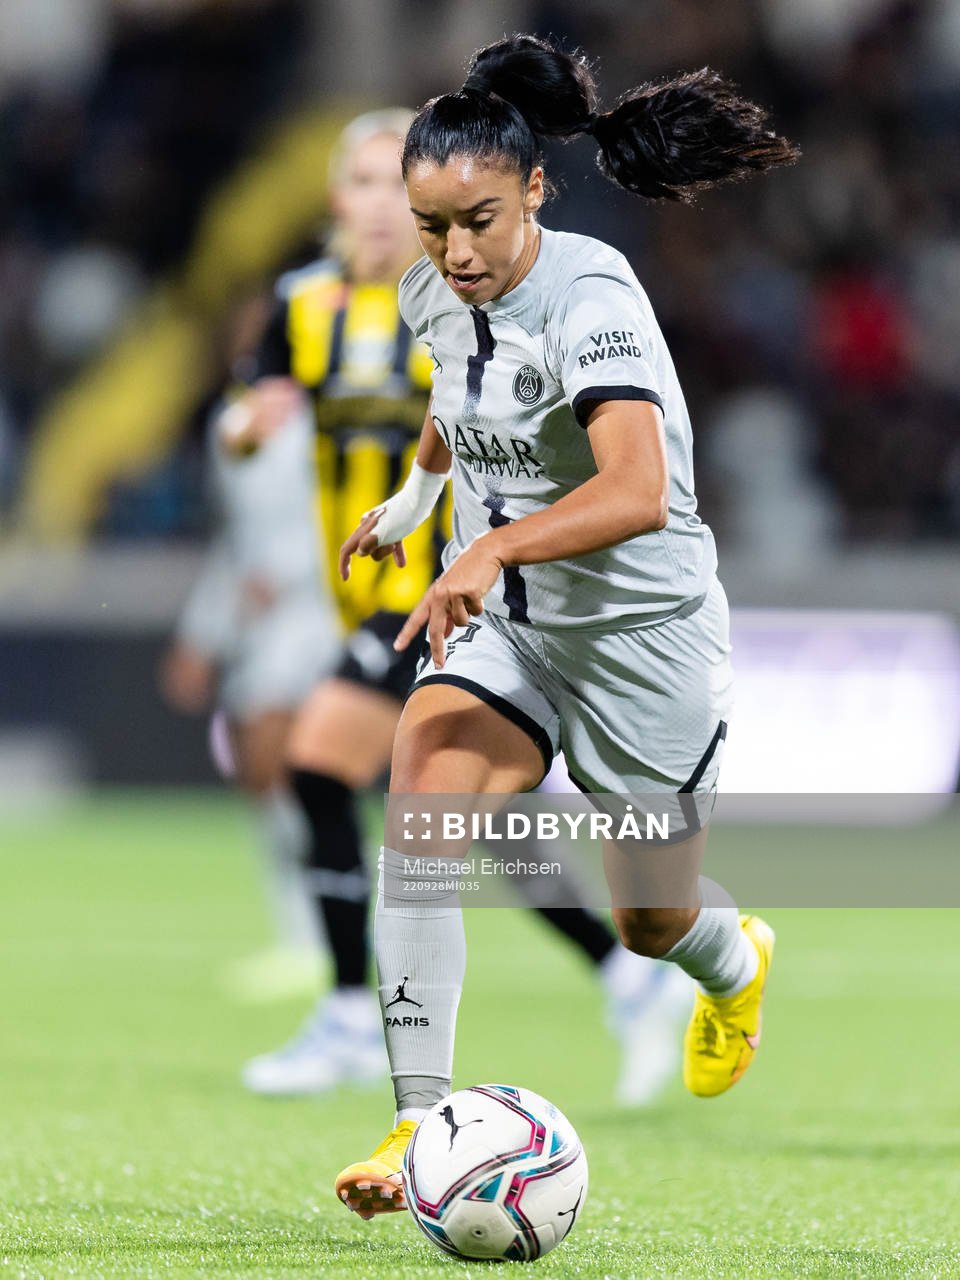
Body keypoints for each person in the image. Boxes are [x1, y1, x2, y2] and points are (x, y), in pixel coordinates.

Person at [333, 35, 798, 1219]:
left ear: (535, 187)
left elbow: (638, 486)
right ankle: (414, 1119)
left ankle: (735, 961)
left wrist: (487, 545)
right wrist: (420, 500)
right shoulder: (432, 284)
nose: (458, 252)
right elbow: (455, 392)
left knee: (650, 918)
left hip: (642, 639)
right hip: (514, 633)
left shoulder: (592, 296)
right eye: (434, 226)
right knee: (425, 794)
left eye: (480, 220)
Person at [226, 108, 693, 1102]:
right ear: (336, 201)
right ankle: (627, 969)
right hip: (378, 589)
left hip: (463, 597)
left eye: (395, 190)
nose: (386, 210)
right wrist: (244, 422)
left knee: (321, 764)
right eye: (359, 183)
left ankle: (356, 1012)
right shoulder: (305, 306)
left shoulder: (473, 294)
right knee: (474, 828)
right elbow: (250, 398)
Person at [160, 391, 339, 983]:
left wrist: (289, 571)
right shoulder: (230, 423)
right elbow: (241, 536)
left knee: (291, 766)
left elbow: (358, 501)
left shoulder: (341, 401)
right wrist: (202, 631)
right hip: (264, 621)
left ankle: (328, 931)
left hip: (332, 607)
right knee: (265, 773)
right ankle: (306, 935)